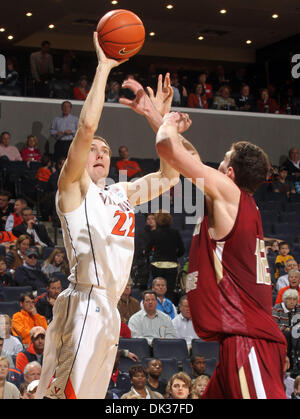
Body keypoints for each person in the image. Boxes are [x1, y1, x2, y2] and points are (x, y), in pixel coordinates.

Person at [35, 33, 190, 400]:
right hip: (85, 299)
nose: (100, 153)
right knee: (65, 395)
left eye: (106, 150)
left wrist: (161, 121)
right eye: (94, 150)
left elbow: (171, 174)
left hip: (111, 308)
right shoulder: (72, 188)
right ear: (79, 155)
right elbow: (86, 128)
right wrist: (104, 67)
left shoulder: (120, 193)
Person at [155, 114, 288, 398]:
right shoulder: (239, 203)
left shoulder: (228, 193)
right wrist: (154, 114)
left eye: (225, 159)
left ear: (229, 174)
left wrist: (168, 122)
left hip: (249, 342)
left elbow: (168, 147)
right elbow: (186, 154)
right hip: (238, 341)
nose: (217, 163)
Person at [147, 211, 185, 301]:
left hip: (157, 265)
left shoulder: (154, 233)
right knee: (169, 291)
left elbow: (147, 249)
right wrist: (174, 256)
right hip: (171, 265)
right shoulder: (175, 233)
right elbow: (182, 250)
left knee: (157, 290)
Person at [272, 288, 300, 360]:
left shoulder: (298, 307)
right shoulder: (277, 308)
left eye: (294, 299)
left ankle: (296, 359)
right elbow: (274, 324)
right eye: (289, 299)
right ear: (285, 300)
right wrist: (285, 328)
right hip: (281, 333)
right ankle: (289, 359)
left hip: (295, 332)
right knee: (288, 333)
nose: (292, 302)